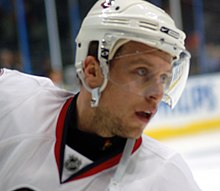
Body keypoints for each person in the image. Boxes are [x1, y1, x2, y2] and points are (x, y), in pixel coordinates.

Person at [0, 0, 201, 190]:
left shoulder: (167, 178)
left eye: (164, 78)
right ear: (92, 71)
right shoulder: (13, 100)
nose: (157, 93)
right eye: (142, 72)